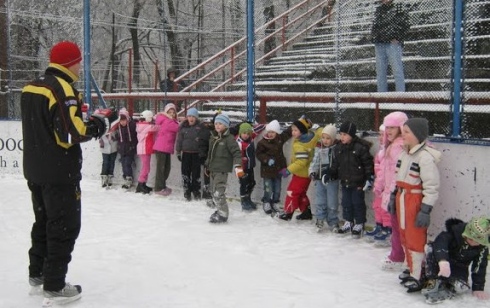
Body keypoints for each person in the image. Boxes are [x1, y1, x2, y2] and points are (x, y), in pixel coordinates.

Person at [21, 41, 115, 304]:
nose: (80, 66)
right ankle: (54, 284)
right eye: (78, 61)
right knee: (64, 226)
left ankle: (38, 273)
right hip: (59, 172)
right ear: (71, 63)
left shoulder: (32, 85)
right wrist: (99, 123)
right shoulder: (62, 88)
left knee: (43, 221)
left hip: (35, 169)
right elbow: (70, 133)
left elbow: (47, 124)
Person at [392, 118, 441, 292]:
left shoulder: (425, 157)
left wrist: (425, 209)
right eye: (402, 131)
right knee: (404, 234)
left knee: (415, 237)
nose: (402, 135)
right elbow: (398, 178)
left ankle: (418, 273)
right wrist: (393, 197)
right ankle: (410, 266)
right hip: (402, 198)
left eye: (407, 132)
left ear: (418, 135)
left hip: (414, 201)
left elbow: (432, 186)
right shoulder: (404, 153)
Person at [422, 217, 490, 304]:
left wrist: (478, 288)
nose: (473, 242)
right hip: (440, 262)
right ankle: (431, 279)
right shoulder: (453, 233)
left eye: (477, 241)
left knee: (461, 286)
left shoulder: (482, 248)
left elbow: (479, 267)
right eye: (470, 238)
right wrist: (442, 260)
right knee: (431, 248)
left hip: (459, 267)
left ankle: (448, 285)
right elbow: (440, 243)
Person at [375, 112, 408, 269]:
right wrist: (379, 185)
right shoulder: (390, 145)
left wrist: (394, 192)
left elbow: (398, 173)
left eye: (392, 128)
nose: (388, 131)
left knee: (400, 227)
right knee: (397, 226)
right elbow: (383, 170)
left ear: (401, 128)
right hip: (392, 192)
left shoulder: (398, 146)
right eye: (387, 127)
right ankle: (398, 255)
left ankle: (398, 256)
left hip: (398, 193)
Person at [330, 121, 374, 238]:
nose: (342, 137)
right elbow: (336, 164)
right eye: (341, 134)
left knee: (357, 203)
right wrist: (331, 173)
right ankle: (348, 221)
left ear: (352, 135)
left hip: (358, 182)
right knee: (346, 203)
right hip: (345, 181)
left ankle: (359, 223)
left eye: (345, 134)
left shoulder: (360, 148)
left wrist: (369, 178)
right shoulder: (338, 148)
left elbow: (368, 165)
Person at [277, 115, 320, 221]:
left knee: (292, 191)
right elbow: (319, 132)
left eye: (295, 130)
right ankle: (306, 212)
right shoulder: (311, 137)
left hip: (301, 174)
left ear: (302, 131)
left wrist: (288, 170)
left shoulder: (300, 144)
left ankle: (288, 212)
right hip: (306, 174)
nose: (293, 132)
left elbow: (301, 161)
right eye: (292, 130)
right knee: (300, 193)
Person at [205, 113, 244, 223]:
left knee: (219, 192)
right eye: (216, 123)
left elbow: (236, 153)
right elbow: (210, 153)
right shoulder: (213, 137)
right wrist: (207, 166)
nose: (217, 126)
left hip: (221, 171)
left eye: (220, 124)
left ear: (226, 125)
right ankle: (219, 210)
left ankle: (223, 214)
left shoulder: (229, 139)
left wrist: (238, 166)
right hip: (213, 169)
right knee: (214, 192)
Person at [371, 0, 410, 92]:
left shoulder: (398, 7)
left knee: (397, 71)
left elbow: (405, 24)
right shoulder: (379, 9)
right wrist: (374, 37)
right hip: (379, 43)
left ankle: (400, 96)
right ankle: (381, 97)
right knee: (380, 73)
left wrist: (398, 38)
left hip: (392, 44)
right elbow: (375, 25)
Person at [308, 124, 340, 232]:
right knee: (320, 200)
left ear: (333, 138)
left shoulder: (336, 149)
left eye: (328, 138)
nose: (325, 141)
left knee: (332, 202)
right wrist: (312, 172)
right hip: (319, 179)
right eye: (323, 137)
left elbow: (337, 164)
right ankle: (320, 219)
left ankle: (333, 221)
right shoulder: (319, 148)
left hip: (332, 180)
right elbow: (315, 162)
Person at [256, 120, 291, 215]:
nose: (270, 134)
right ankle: (266, 201)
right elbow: (259, 154)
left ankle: (275, 202)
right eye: (269, 132)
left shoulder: (280, 139)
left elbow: (288, 132)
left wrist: (299, 123)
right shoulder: (262, 143)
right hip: (267, 171)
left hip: (278, 170)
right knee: (268, 188)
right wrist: (267, 160)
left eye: (273, 132)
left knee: (277, 189)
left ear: (277, 132)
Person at [175, 107, 210, 201]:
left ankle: (196, 191)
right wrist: (178, 152)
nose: (191, 118)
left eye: (193, 116)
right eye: (189, 116)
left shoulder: (200, 127)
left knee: (196, 174)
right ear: (187, 117)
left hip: (196, 154)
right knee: (185, 173)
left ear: (196, 118)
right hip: (186, 154)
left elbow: (204, 139)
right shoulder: (183, 127)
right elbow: (179, 140)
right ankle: (187, 191)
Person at [233, 122, 266, 211]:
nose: (246, 135)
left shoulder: (251, 138)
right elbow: (236, 158)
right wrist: (239, 172)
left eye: (248, 133)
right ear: (240, 133)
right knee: (244, 184)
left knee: (251, 183)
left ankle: (248, 199)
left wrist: (266, 125)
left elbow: (257, 130)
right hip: (241, 168)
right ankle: (244, 202)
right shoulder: (238, 143)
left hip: (249, 166)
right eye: (244, 133)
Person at [152, 103, 179, 195]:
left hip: (165, 148)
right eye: (169, 112)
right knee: (161, 169)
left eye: (173, 112)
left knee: (166, 169)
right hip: (161, 148)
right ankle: (158, 188)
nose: (172, 114)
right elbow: (177, 128)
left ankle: (162, 185)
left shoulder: (168, 120)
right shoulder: (168, 121)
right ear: (166, 113)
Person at [365, 124, 386, 242]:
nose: (380, 137)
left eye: (383, 135)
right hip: (379, 184)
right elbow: (377, 165)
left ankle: (387, 229)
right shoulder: (381, 150)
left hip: (386, 186)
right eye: (380, 134)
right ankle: (379, 225)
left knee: (386, 209)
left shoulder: (392, 151)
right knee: (377, 206)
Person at [135, 110, 159, 194]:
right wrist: (157, 118)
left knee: (146, 167)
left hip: (143, 149)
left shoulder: (141, 125)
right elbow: (158, 127)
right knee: (146, 168)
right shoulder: (148, 127)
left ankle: (143, 184)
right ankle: (140, 184)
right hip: (144, 149)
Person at [114, 108, 138, 189]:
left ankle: (129, 178)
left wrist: (133, 146)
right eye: (121, 121)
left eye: (124, 120)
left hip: (130, 149)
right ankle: (126, 178)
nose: (122, 122)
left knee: (127, 164)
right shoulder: (119, 127)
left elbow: (135, 136)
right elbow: (118, 137)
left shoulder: (131, 125)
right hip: (122, 149)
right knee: (123, 164)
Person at [98, 114, 118, 188]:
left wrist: (113, 136)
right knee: (105, 163)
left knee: (112, 162)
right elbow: (100, 137)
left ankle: (110, 177)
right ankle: (104, 177)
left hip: (113, 148)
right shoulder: (102, 128)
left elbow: (117, 136)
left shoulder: (115, 128)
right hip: (105, 149)